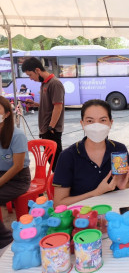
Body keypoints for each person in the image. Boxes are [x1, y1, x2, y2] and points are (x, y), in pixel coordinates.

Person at [52, 99, 129, 206]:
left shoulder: (119, 149)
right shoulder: (68, 156)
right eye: (90, 121)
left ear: (111, 123)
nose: (97, 126)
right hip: (82, 217)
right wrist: (96, 193)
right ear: (82, 124)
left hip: (114, 214)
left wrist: (121, 187)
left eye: (103, 120)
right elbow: (58, 204)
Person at [22, 57, 64, 171]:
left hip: (51, 129)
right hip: (46, 129)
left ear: (37, 70)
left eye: (30, 75)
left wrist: (51, 126)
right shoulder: (44, 83)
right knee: (53, 161)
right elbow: (48, 105)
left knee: (57, 162)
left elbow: (58, 106)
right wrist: (34, 104)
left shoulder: (55, 83)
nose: (31, 78)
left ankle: (63, 185)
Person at [0, 96, 31, 249]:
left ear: (6, 114)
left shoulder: (16, 135)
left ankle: (4, 239)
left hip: (18, 179)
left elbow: (18, 166)